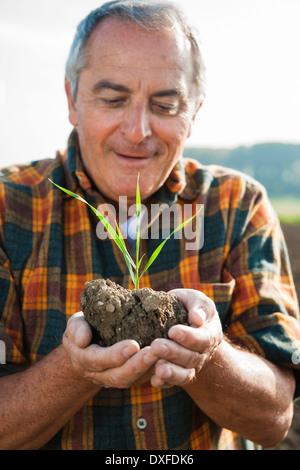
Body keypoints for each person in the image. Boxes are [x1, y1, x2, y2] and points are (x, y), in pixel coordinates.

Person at [0, 0, 299, 451]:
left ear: (193, 111)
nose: (138, 130)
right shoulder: (8, 206)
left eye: (164, 104)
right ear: (71, 100)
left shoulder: (238, 205)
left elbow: (275, 418)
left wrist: (208, 355)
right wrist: (74, 368)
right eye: (113, 99)